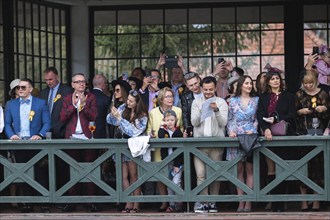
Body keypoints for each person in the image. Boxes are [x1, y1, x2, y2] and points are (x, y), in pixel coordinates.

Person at [4, 78, 51, 213]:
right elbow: (7, 124)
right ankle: (28, 203)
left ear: (30, 89)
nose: (20, 90)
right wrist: (11, 135)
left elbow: (47, 123)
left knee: (40, 173)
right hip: (19, 143)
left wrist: (40, 135)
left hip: (35, 143)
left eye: (24, 87)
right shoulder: (11, 104)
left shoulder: (41, 103)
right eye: (19, 88)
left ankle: (43, 203)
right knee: (23, 173)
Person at [257, 66, 296, 212]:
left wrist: (277, 118)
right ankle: (274, 203)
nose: (275, 81)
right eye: (272, 79)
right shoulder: (263, 97)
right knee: (271, 169)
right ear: (267, 82)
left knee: (283, 169)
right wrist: (266, 128)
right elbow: (260, 115)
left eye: (277, 78)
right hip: (268, 136)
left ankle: (281, 203)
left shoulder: (289, 96)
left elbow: (292, 116)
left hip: (284, 136)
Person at [60, 73, 98, 213]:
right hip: (71, 138)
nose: (81, 84)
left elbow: (93, 116)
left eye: (83, 81)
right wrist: (74, 106)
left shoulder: (91, 97)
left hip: (87, 137)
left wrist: (84, 105)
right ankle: (72, 201)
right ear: (73, 84)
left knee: (89, 169)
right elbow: (62, 117)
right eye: (78, 82)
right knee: (73, 170)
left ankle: (90, 201)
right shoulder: (66, 99)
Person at [191, 76, 228, 213]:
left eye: (210, 89)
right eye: (205, 90)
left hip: (216, 143)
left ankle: (213, 202)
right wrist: (202, 109)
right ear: (202, 88)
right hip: (200, 143)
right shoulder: (196, 102)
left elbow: (223, 123)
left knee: (215, 174)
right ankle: (202, 202)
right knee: (200, 174)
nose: (208, 92)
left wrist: (216, 110)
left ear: (215, 88)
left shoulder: (222, 102)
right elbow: (194, 122)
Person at [107, 89, 148, 213]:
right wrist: (112, 114)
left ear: (137, 102)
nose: (128, 103)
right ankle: (128, 202)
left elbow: (134, 132)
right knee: (122, 176)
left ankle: (136, 204)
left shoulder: (143, 115)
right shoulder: (123, 107)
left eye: (131, 101)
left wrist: (120, 119)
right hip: (120, 145)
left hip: (133, 147)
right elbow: (111, 121)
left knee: (134, 176)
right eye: (128, 100)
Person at [295, 71, 329, 211]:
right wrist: (300, 112)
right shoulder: (299, 95)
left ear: (315, 81)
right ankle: (304, 201)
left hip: (320, 134)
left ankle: (316, 200)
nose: (308, 86)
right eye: (306, 83)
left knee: (318, 168)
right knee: (303, 168)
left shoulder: (323, 94)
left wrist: (324, 109)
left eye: (311, 83)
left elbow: (329, 116)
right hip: (303, 133)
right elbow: (293, 114)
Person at [146, 87, 183, 212]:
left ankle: (176, 203)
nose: (170, 99)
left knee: (176, 179)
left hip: (176, 151)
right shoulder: (153, 112)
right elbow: (149, 130)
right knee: (162, 176)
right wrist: (151, 134)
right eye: (167, 96)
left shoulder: (178, 111)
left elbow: (181, 129)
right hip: (159, 150)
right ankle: (165, 201)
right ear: (161, 99)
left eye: (171, 96)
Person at [226, 75, 259, 212]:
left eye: (250, 83)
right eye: (246, 83)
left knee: (250, 169)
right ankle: (241, 201)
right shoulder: (232, 101)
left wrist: (255, 130)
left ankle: (249, 201)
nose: (249, 85)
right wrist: (231, 132)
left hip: (251, 135)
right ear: (240, 85)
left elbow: (257, 118)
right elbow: (230, 119)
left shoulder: (256, 100)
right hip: (236, 136)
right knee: (239, 169)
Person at [158, 109, 186, 213]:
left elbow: (180, 151)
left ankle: (179, 202)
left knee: (176, 182)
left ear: (176, 120)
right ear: (164, 120)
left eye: (172, 120)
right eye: (167, 120)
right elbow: (160, 136)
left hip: (177, 162)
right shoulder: (164, 131)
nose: (170, 122)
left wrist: (177, 165)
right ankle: (172, 204)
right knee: (169, 183)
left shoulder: (178, 132)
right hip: (167, 161)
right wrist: (161, 126)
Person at [40, 67, 73, 139]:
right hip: (46, 132)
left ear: (57, 77)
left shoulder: (67, 91)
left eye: (50, 79)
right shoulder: (42, 93)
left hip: (62, 131)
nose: (48, 82)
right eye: (46, 80)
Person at [181, 72, 202, 137]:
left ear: (199, 80)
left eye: (195, 83)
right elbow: (185, 115)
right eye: (191, 85)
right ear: (187, 86)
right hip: (194, 129)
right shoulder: (185, 97)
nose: (194, 87)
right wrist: (188, 128)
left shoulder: (207, 92)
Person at [91, 74, 111, 138]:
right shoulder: (106, 99)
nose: (106, 86)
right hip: (101, 134)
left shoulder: (85, 97)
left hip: (86, 133)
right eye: (106, 84)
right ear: (102, 84)